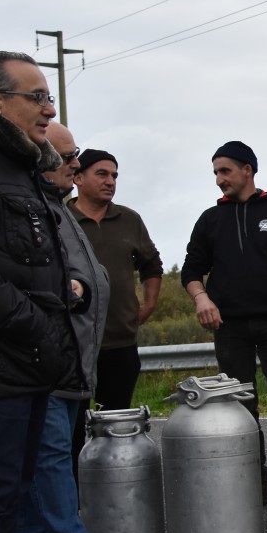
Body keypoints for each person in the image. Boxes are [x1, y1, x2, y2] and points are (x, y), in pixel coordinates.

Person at [0, 51, 82, 533]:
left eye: (48, 97)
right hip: (8, 361)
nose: (48, 110)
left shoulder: (21, 171)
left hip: (25, 364)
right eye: (35, 97)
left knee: (10, 497)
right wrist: (43, 330)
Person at [181, 141, 267, 505]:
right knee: (240, 406)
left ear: (248, 170)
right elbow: (191, 271)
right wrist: (202, 298)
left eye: (224, 171)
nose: (218, 180)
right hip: (229, 328)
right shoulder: (210, 220)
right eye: (215, 172)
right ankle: (253, 479)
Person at [15, 121, 121, 533]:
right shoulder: (32, 208)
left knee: (45, 456)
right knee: (52, 455)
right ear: (39, 160)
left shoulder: (52, 207)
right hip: (48, 354)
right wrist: (69, 290)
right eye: (66, 156)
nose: (74, 164)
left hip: (72, 357)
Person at [69, 148, 163, 411]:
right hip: (74, 344)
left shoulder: (130, 219)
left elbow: (152, 265)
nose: (110, 181)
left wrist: (148, 306)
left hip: (121, 344)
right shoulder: (62, 219)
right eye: (102, 174)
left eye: (114, 175)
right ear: (78, 178)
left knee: (115, 425)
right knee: (72, 431)